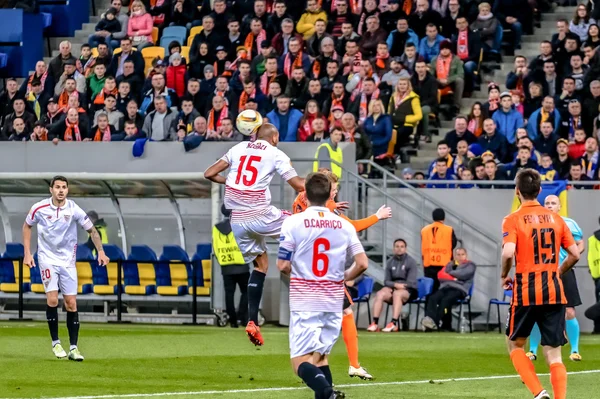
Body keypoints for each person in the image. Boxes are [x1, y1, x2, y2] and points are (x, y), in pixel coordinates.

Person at [203, 124, 305, 346]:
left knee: (260, 266)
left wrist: (228, 181)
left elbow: (209, 173)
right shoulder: (276, 153)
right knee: (305, 226)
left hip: (237, 219)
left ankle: (252, 322)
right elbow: (299, 185)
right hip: (260, 213)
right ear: (275, 137)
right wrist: (322, 184)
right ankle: (311, 281)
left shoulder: (239, 148)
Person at [277, 172, 368, 399]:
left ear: (304, 194)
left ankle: (328, 393)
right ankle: (328, 394)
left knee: (300, 361)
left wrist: (298, 275)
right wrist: (344, 277)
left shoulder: (293, 222)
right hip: (333, 300)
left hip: (305, 300)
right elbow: (362, 263)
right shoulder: (343, 225)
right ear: (330, 195)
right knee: (321, 358)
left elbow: (282, 265)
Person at [501, 168, 580, 399]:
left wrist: (504, 275)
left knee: (515, 345)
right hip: (554, 291)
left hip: (526, 290)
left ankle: (539, 392)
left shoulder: (512, 219)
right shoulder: (556, 218)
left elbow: (508, 252)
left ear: (517, 191)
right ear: (539, 190)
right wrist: (558, 270)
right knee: (554, 355)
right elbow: (574, 254)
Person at [22, 176, 110, 361]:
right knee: (53, 299)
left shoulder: (73, 209)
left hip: (68, 261)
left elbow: (92, 230)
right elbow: (27, 226)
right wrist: (28, 253)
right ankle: (56, 343)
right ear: (51, 190)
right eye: (57, 187)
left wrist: (101, 251)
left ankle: (73, 348)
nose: (61, 190)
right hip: (47, 259)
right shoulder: (39, 208)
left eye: (64, 187)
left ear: (67, 190)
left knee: (71, 303)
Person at [525, 195, 585, 365]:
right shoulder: (535, 223)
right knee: (538, 311)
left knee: (569, 311)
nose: (550, 205)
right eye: (547, 203)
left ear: (559, 206)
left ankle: (574, 350)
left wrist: (571, 258)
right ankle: (533, 350)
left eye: (553, 203)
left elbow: (581, 244)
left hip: (564, 271)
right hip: (542, 272)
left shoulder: (569, 223)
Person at [367, 238, 418, 332]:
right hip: (394, 288)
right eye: (397, 246)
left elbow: (411, 282)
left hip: (409, 291)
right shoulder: (390, 262)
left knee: (397, 294)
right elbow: (386, 281)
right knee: (380, 293)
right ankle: (374, 323)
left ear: (405, 249)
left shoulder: (411, 262)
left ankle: (393, 323)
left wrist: (400, 286)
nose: (399, 249)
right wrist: (395, 285)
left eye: (402, 247)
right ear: (394, 248)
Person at [213, 204, 250, 328]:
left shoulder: (216, 228)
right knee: (246, 292)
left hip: (226, 265)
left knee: (229, 294)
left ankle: (233, 320)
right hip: (242, 265)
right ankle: (242, 316)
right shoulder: (241, 226)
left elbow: (216, 247)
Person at [421, 247, 476, 331]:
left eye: (462, 254)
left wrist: (448, 274)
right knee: (432, 298)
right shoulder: (450, 264)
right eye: (458, 254)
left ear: (466, 255)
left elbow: (463, 274)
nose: (460, 257)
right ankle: (429, 320)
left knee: (445, 301)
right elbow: (440, 276)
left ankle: (434, 322)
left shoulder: (471, 265)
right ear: (454, 256)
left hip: (459, 289)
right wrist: (454, 278)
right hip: (446, 287)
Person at [421, 208, 457, 292]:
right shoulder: (449, 230)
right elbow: (453, 244)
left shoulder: (424, 230)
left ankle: (429, 305)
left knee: (429, 291)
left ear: (433, 217)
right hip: (444, 265)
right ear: (443, 218)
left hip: (428, 265)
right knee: (444, 291)